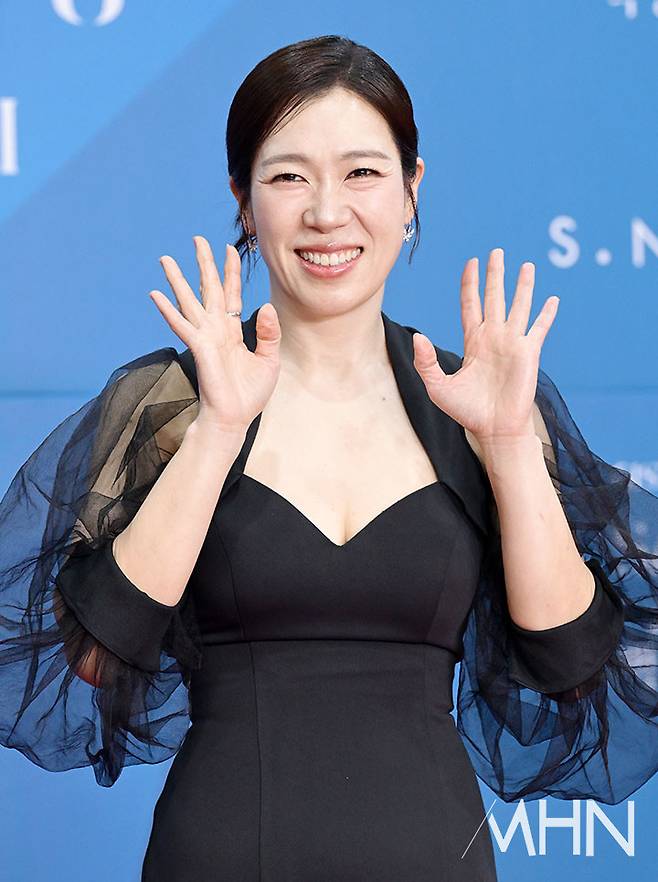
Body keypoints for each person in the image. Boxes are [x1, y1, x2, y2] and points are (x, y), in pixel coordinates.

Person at [1, 34, 657, 882]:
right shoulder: (172, 403)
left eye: (362, 172)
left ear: (412, 190)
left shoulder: (478, 403)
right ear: (243, 202)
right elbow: (89, 665)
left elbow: (572, 671)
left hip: (434, 856)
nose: (326, 212)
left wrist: (506, 447)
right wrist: (217, 430)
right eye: (287, 177)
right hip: (221, 854)